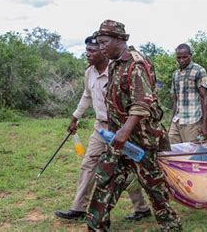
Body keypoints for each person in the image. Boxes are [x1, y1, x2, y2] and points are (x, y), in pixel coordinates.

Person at [87, 20, 181, 231]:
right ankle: (96, 225)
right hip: (119, 139)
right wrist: (114, 134)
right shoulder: (115, 65)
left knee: (154, 187)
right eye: (99, 43)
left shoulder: (136, 64)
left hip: (142, 141)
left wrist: (124, 132)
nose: (101, 47)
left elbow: (142, 104)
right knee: (105, 179)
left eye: (104, 42)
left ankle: (171, 225)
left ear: (119, 39)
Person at [54, 36, 152, 221]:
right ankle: (78, 208)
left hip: (121, 128)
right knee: (88, 164)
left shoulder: (117, 70)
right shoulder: (89, 72)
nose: (88, 54)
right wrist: (75, 117)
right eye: (87, 50)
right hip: (100, 128)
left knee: (128, 168)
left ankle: (142, 208)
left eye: (92, 50)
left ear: (103, 51)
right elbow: (86, 95)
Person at [168, 43, 207, 143]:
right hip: (177, 120)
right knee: (172, 150)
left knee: (192, 153)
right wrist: (171, 121)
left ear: (190, 55)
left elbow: (205, 98)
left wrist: (204, 125)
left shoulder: (199, 70)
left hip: (193, 121)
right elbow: (175, 100)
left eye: (185, 57)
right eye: (179, 57)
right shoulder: (175, 74)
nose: (181, 60)